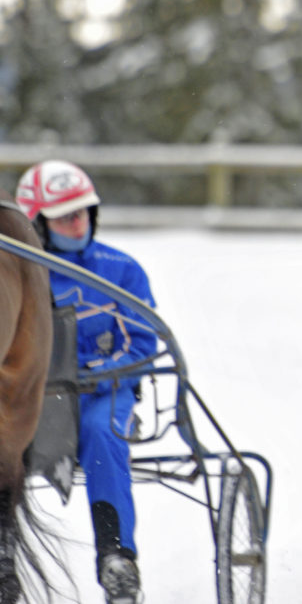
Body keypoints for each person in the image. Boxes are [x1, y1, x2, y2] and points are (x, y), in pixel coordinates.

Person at [17, 161, 154, 604]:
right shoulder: (17, 273)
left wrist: (100, 374)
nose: (77, 223)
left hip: (102, 393)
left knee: (101, 433)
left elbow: (143, 343)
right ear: (37, 223)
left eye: (82, 212)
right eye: (63, 216)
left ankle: (117, 558)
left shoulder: (120, 270)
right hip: (32, 395)